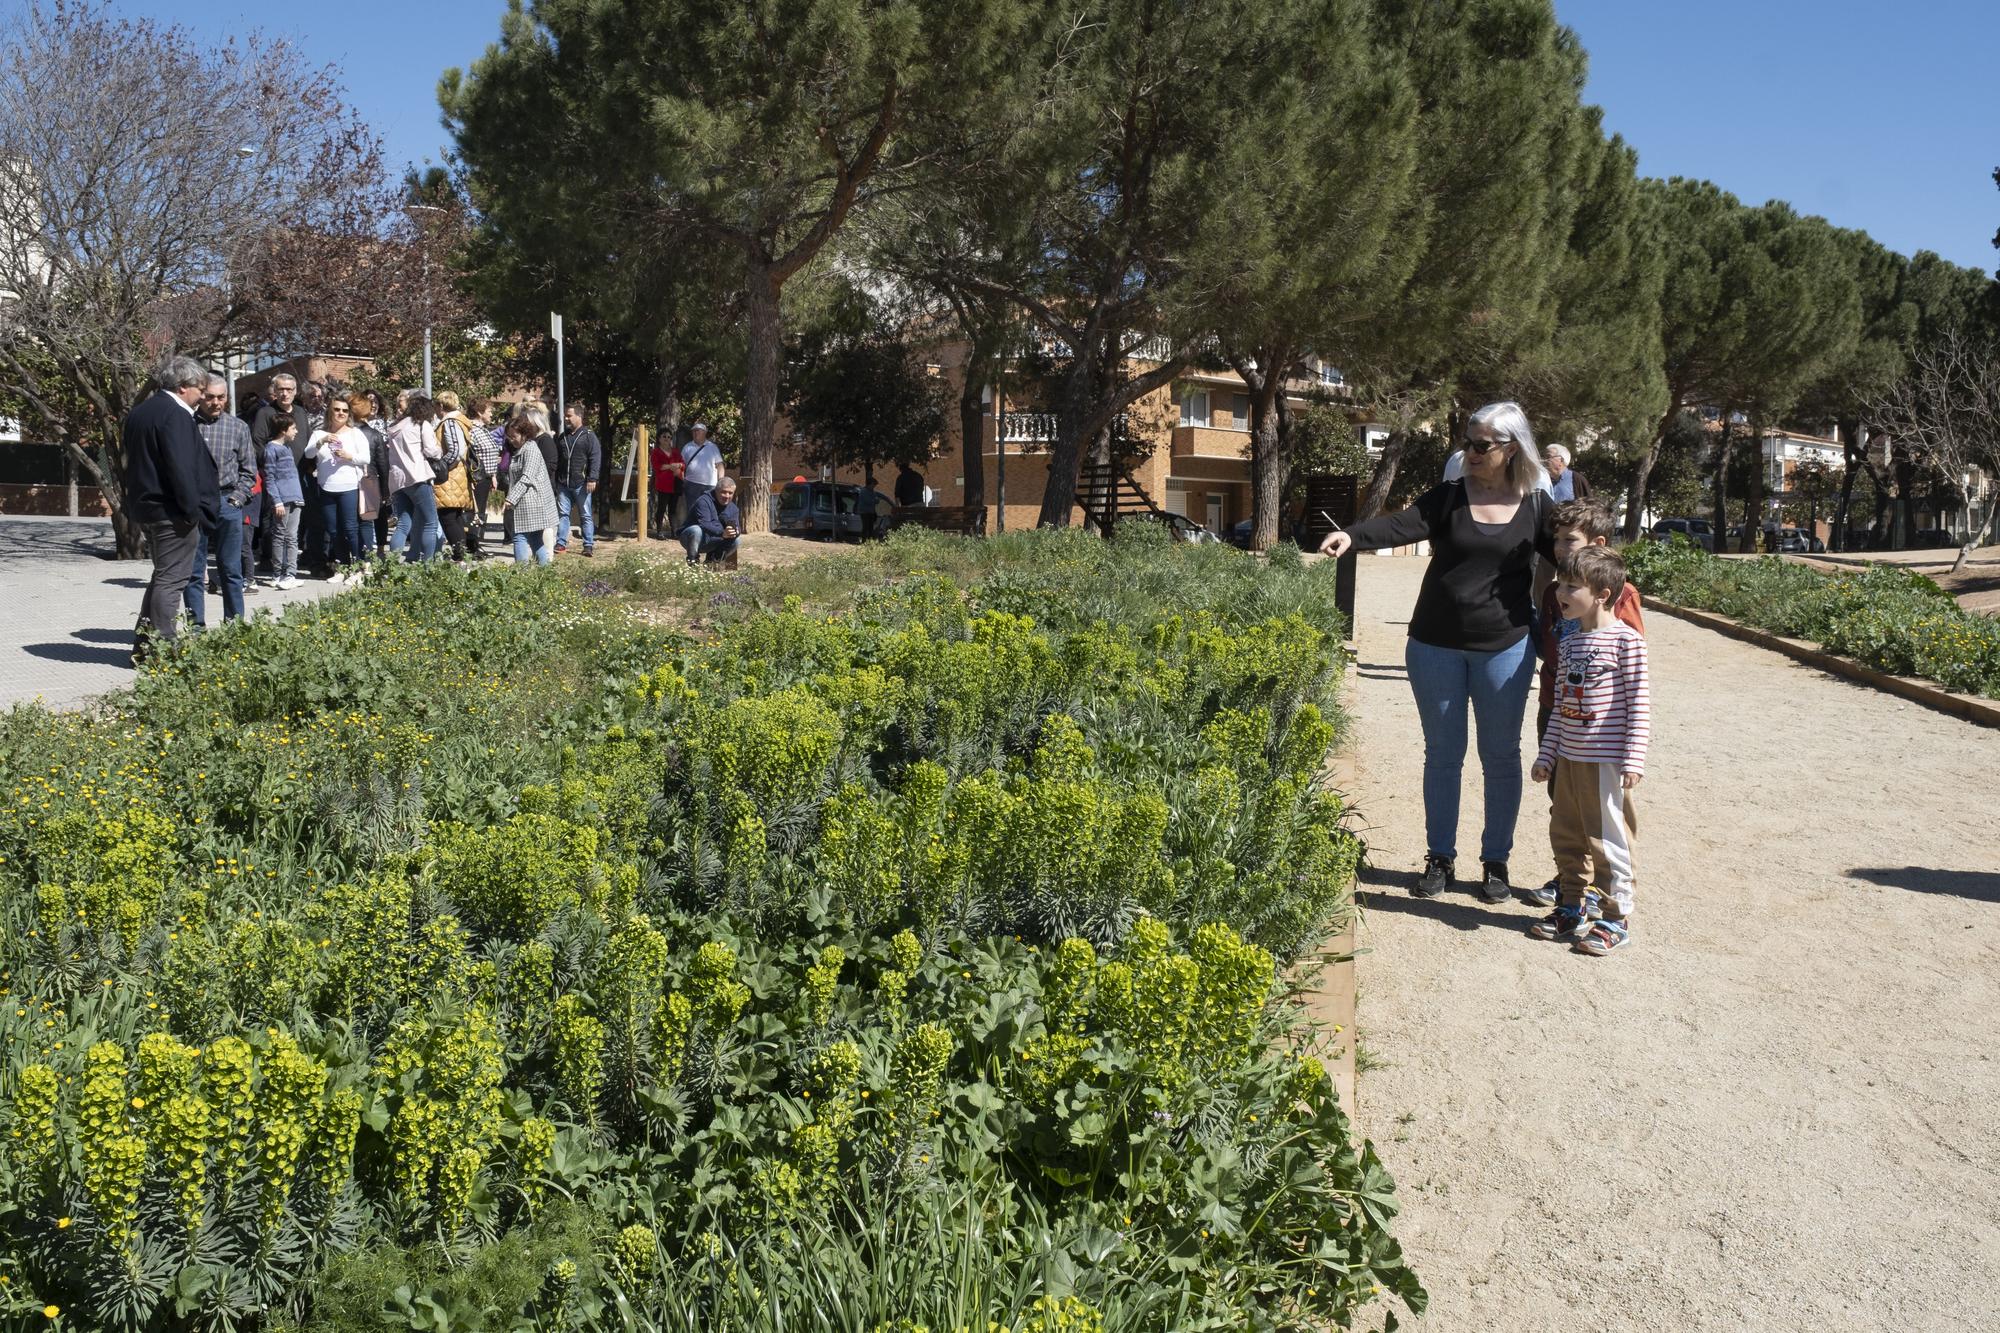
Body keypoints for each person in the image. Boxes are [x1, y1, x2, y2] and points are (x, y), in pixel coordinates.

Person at [1317, 401, 1555, 902]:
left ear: (1510, 448)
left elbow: (1574, 555)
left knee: (1501, 757)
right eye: (1467, 441)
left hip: (1505, 648)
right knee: (1443, 756)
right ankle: (1440, 857)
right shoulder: (1449, 496)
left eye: (1480, 444)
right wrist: (1352, 537)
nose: (1468, 451)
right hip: (1434, 645)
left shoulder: (1536, 506)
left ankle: (1496, 862)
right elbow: (1401, 525)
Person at [1529, 545, 1650, 956]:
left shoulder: (1626, 642)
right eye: (1560, 583)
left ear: (1601, 593)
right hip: (1568, 759)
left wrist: (1633, 758)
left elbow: (1639, 704)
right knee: (1565, 833)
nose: (1560, 591)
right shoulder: (1569, 642)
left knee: (1606, 840)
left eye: (1572, 586)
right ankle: (1570, 906)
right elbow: (1561, 705)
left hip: (1604, 761)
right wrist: (1548, 754)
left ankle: (1615, 918)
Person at [124, 356, 220, 662]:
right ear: (182, 387)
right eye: (200, 388)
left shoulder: (140, 412)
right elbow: (181, 468)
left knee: (162, 576)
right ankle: (162, 650)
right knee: (171, 580)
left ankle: (144, 646)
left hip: (148, 508)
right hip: (172, 511)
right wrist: (193, 510)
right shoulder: (175, 415)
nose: (203, 395)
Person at [185, 374, 256, 626]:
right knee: (193, 571)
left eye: (221, 397)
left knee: (231, 569)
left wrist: (236, 500)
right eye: (210, 397)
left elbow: (249, 472)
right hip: (194, 505)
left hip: (227, 502)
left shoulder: (238, 427)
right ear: (201, 395)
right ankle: (196, 628)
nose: (216, 402)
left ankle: (234, 625)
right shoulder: (186, 425)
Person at [303, 395, 372, 582]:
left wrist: (348, 456)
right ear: (330, 411)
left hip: (349, 486)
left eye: (344, 410)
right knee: (333, 530)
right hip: (326, 488)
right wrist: (322, 441)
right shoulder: (319, 433)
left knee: (350, 529)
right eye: (337, 409)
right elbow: (308, 453)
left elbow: (366, 458)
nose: (340, 413)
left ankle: (359, 567)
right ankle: (342, 568)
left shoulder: (355, 433)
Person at [384, 395, 444, 561]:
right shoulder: (421, 424)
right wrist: (440, 450)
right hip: (417, 477)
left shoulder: (394, 426)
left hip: (397, 481)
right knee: (431, 522)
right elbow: (432, 451)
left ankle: (394, 563)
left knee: (403, 524)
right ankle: (428, 564)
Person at [503, 415, 558, 565]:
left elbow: (527, 477)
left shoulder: (531, 449)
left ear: (525, 434)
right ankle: (545, 573)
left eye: (514, 436)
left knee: (519, 536)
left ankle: (521, 575)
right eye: (509, 437)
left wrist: (510, 499)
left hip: (532, 501)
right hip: (527, 501)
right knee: (534, 539)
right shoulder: (521, 449)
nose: (511, 440)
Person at [261, 413, 305, 588]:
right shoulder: (271, 450)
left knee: (291, 537)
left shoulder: (286, 448)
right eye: (293, 428)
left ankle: (287, 574)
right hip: (283, 501)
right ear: (283, 430)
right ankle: (280, 574)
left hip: (295, 498)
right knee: (281, 536)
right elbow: (269, 478)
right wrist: (277, 501)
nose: (296, 431)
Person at [432, 391, 478, 560]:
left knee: (448, 516)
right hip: (457, 475)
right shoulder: (458, 421)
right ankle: (462, 555)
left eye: (436, 405)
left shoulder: (450, 422)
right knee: (455, 516)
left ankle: (460, 557)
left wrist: (440, 466)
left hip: (450, 476)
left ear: (442, 406)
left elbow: (455, 450)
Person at [554, 403, 601, 556]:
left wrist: (592, 478)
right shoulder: (562, 436)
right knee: (563, 514)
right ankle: (561, 543)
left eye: (569, 415)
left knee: (585, 515)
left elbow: (595, 458)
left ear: (579, 416)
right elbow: (558, 459)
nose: (566, 418)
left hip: (581, 484)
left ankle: (588, 545)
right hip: (563, 483)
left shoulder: (589, 435)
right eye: (565, 416)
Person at [464, 395, 503, 557]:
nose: (492, 414)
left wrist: (493, 475)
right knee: (474, 512)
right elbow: (469, 454)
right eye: (489, 411)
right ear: (480, 412)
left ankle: (475, 544)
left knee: (479, 512)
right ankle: (471, 546)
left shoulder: (483, 430)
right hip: (476, 478)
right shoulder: (472, 429)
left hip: (486, 477)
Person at [355, 388, 391, 556]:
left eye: (375, 401)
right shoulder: (352, 428)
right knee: (364, 516)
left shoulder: (384, 424)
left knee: (378, 514)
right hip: (363, 473)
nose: (373, 404)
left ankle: (380, 548)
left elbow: (384, 458)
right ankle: (365, 550)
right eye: (369, 401)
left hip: (375, 473)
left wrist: (385, 488)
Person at [679, 477, 741, 565]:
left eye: (730, 493)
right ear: (716, 490)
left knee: (737, 540)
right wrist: (722, 533)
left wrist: (734, 532)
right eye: (723, 492)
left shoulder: (733, 508)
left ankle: (713, 563)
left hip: (713, 540)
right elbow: (704, 524)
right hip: (691, 538)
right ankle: (693, 561)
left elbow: (737, 528)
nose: (727, 496)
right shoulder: (703, 501)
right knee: (696, 529)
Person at [680, 423, 723, 528]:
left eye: (698, 431)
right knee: (692, 508)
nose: (695, 433)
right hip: (691, 484)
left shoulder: (712, 447)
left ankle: (711, 529)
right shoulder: (687, 447)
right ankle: (694, 530)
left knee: (710, 507)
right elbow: (681, 465)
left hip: (710, 484)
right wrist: (682, 480)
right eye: (694, 431)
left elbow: (719, 465)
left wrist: (721, 482)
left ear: (704, 433)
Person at [649, 431, 682, 539]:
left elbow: (683, 464)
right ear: (659, 439)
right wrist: (670, 466)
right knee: (662, 508)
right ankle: (659, 531)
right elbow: (657, 466)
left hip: (676, 483)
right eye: (664, 436)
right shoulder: (656, 452)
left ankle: (674, 532)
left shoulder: (676, 451)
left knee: (673, 509)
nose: (667, 438)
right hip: (663, 484)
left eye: (669, 437)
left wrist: (678, 465)